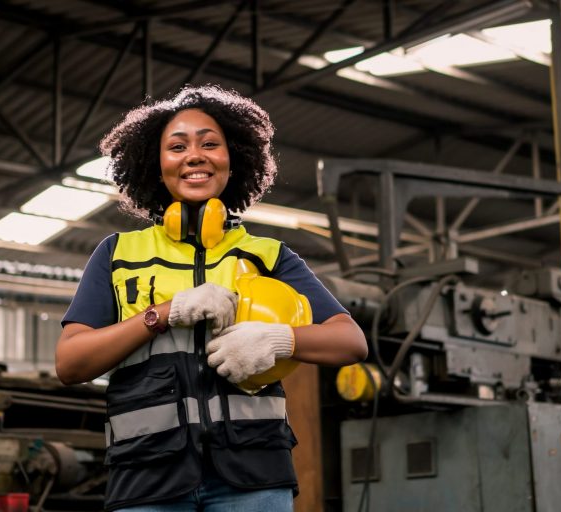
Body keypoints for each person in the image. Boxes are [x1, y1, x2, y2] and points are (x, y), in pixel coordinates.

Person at [56, 85, 367, 512]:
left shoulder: (270, 255)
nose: (195, 155)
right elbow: (71, 363)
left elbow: (351, 341)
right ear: (155, 163)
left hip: (254, 476)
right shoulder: (117, 255)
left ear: (232, 158)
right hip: (148, 477)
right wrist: (163, 313)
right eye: (177, 146)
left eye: (210, 143)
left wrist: (280, 340)